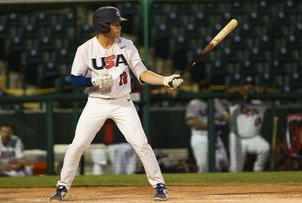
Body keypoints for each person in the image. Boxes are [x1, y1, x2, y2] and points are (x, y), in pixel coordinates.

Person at [50, 6, 183, 201]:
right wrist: (92, 82)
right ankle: (62, 188)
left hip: (123, 103)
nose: (119, 27)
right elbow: (74, 78)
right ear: (102, 26)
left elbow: (142, 73)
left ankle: (159, 185)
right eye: (115, 24)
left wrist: (165, 80)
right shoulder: (85, 49)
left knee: (141, 143)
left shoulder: (127, 45)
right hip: (96, 102)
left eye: (119, 23)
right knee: (78, 145)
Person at [185, 80, 229, 173]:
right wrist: (210, 124)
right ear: (200, 90)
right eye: (204, 88)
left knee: (222, 162)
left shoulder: (215, 101)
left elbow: (225, 117)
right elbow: (190, 121)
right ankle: (203, 187)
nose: (206, 90)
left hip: (215, 136)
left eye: (207, 88)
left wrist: (224, 116)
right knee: (203, 165)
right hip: (200, 135)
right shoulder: (194, 103)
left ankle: (218, 187)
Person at [229, 75, 270, 172]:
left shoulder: (259, 102)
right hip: (237, 138)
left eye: (251, 85)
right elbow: (226, 92)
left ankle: (258, 169)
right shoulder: (235, 100)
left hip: (254, 138)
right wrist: (240, 91)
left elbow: (277, 93)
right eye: (246, 85)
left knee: (265, 148)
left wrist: (264, 91)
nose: (249, 87)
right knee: (235, 169)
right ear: (242, 86)